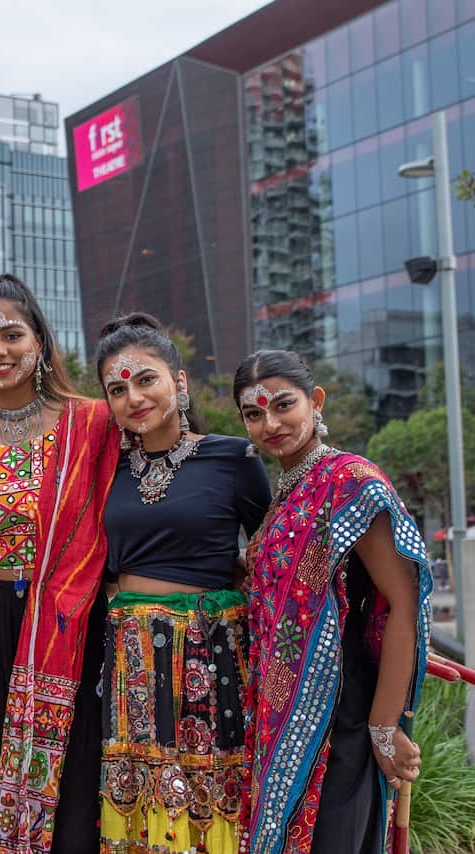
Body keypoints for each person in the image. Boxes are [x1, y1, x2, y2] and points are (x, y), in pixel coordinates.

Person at [0, 274, 119, 853]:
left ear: (39, 340)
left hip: (73, 621)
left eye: (11, 334)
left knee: (78, 773)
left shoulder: (93, 424)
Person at [233, 350, 429, 853]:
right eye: (254, 414)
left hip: (338, 715)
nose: (270, 423)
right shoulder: (287, 493)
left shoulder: (350, 481)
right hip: (277, 715)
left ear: (315, 401)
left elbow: (404, 601)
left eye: (283, 405)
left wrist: (385, 728)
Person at [93, 314, 271, 853]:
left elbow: (269, 555)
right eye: (117, 389)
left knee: (210, 792)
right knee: (138, 798)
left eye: (146, 379)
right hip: (131, 658)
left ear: (180, 381)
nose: (133, 397)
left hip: (210, 653)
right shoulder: (101, 469)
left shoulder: (233, 458)